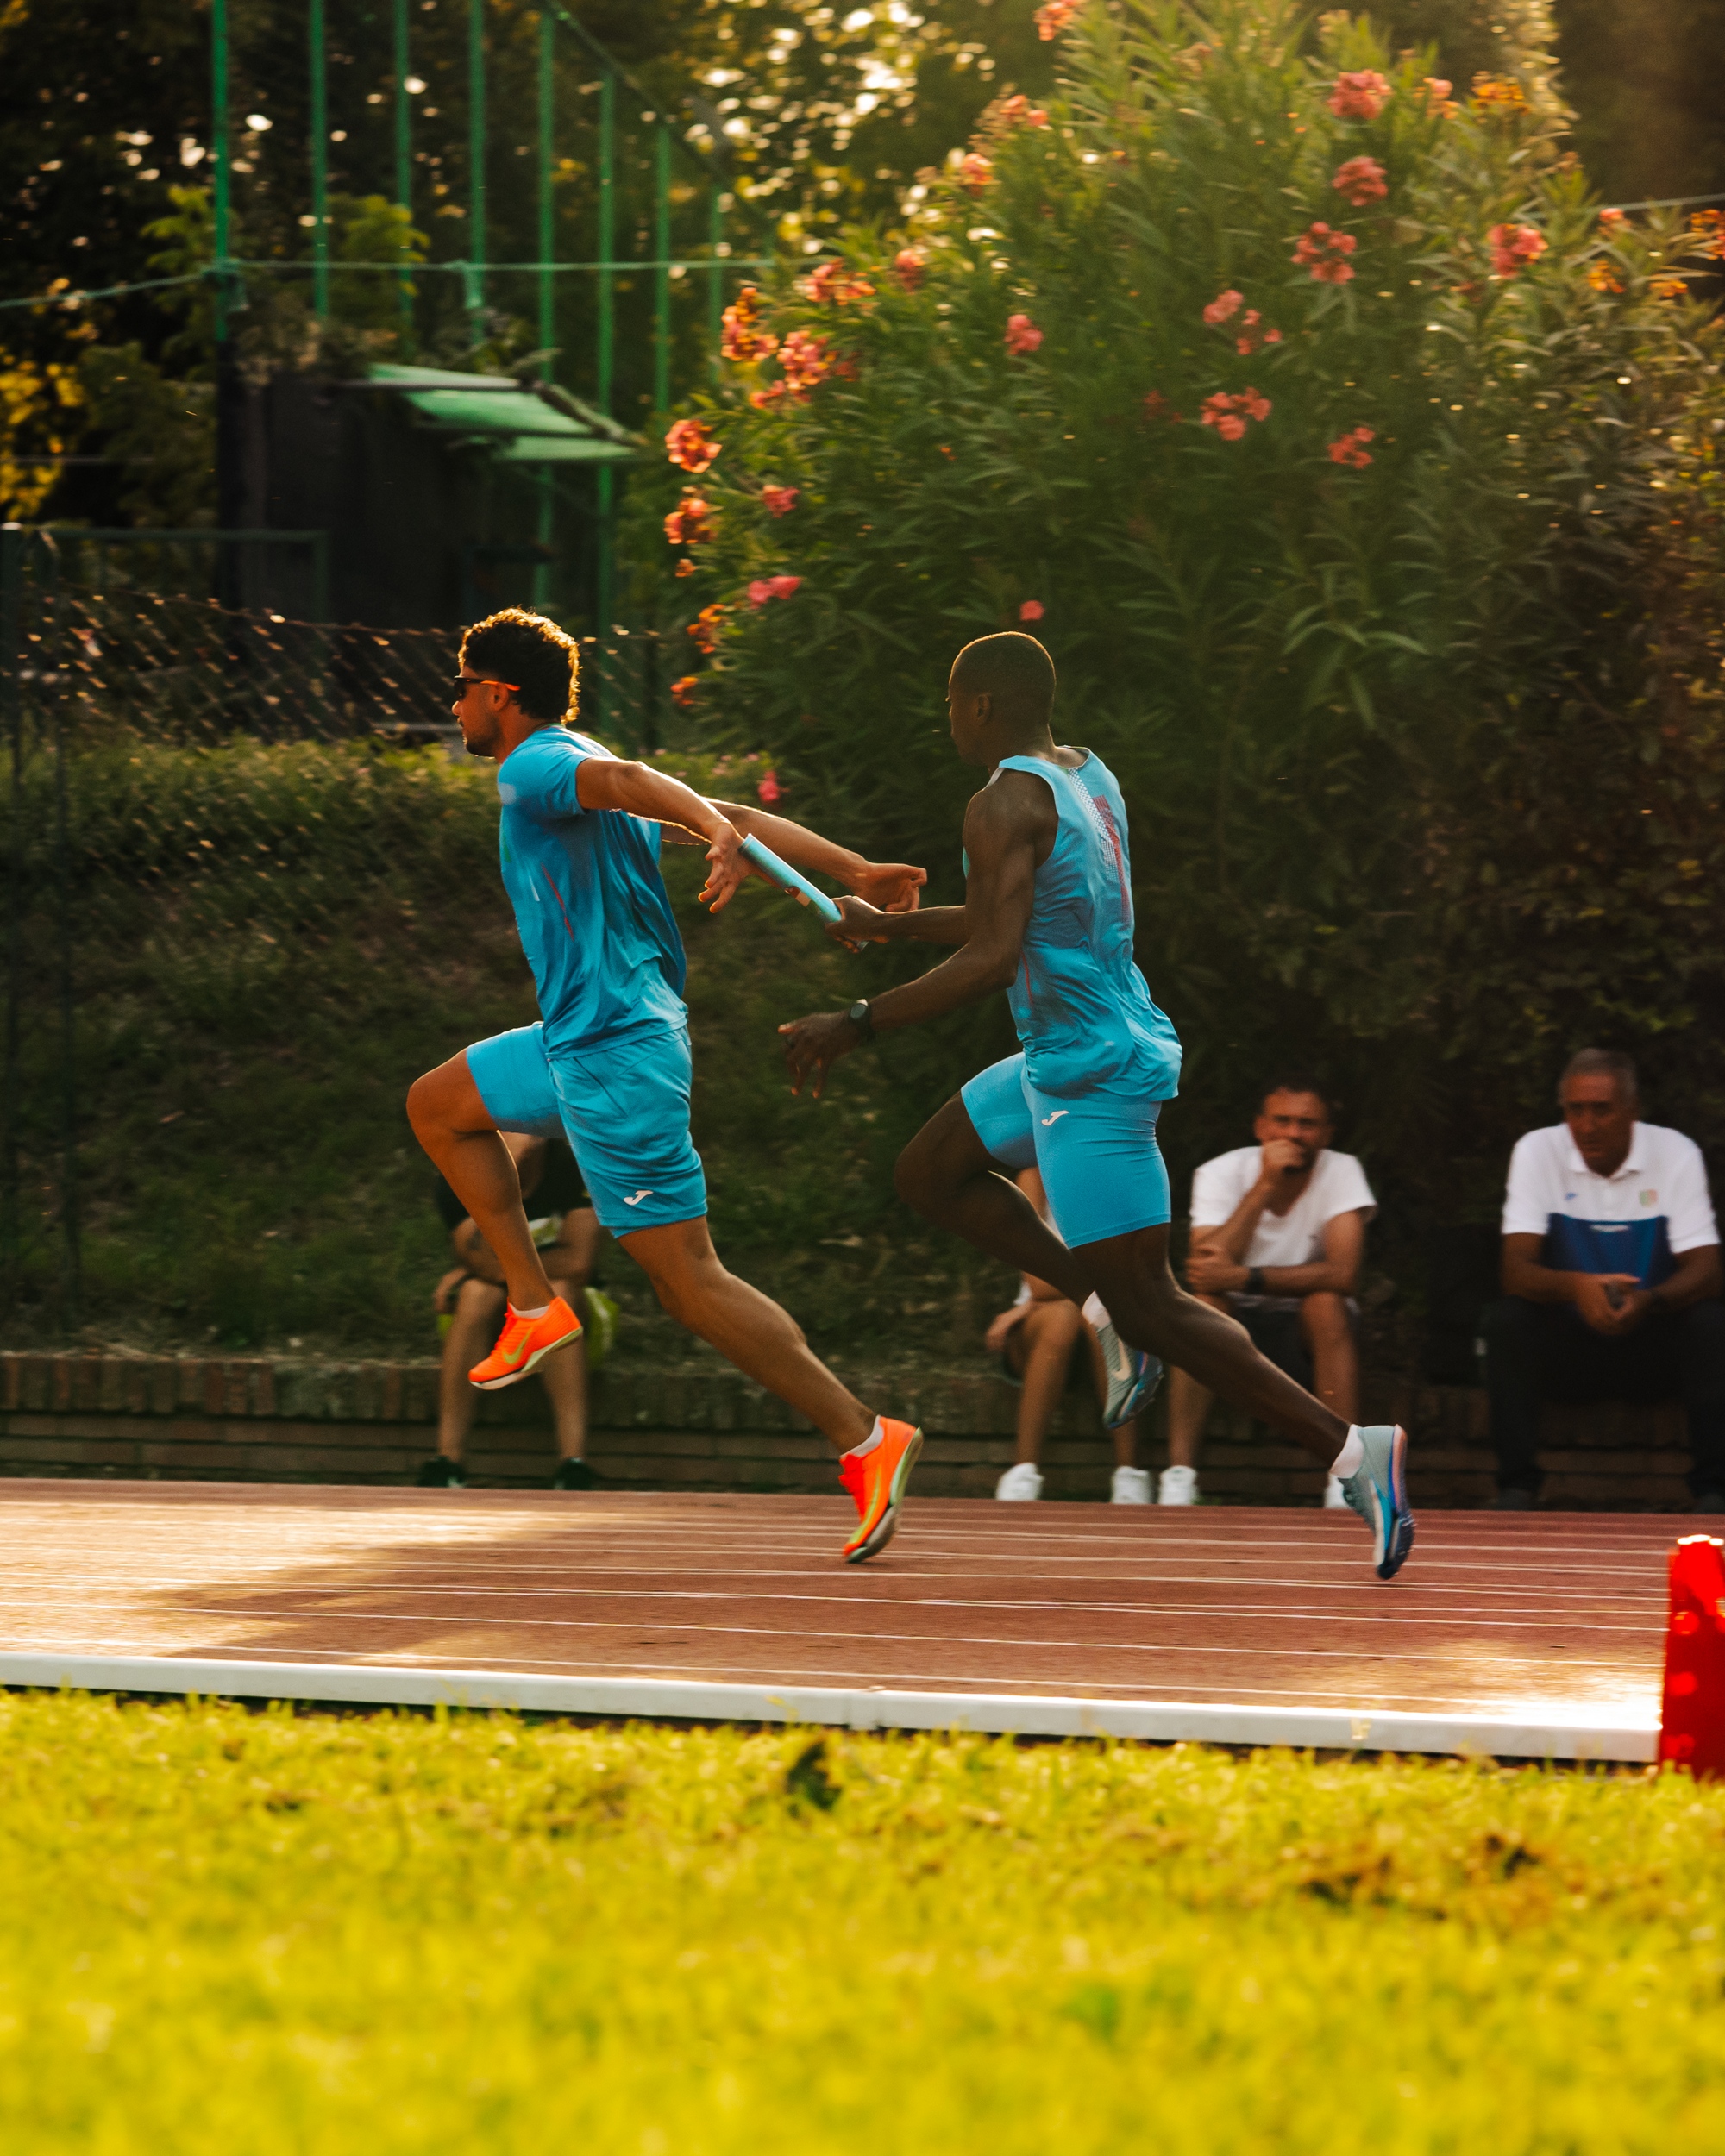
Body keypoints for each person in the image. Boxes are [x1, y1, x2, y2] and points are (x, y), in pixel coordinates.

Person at [777, 630, 1414, 1578]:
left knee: (1156, 1302)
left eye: (951, 703)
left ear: (981, 705)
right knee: (931, 1173)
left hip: (1090, 1072)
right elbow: (1010, 918)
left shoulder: (998, 800)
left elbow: (994, 956)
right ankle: (1096, 1303)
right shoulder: (1083, 774)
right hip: (1069, 1049)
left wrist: (857, 1021)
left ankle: (1353, 1449)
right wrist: (890, 926)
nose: (948, 719)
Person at [405, 608, 931, 1564]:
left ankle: (865, 1436)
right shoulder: (582, 770)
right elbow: (732, 818)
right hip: (577, 1042)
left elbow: (651, 787)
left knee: (690, 1283)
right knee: (437, 1105)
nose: (454, 705)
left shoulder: (536, 764)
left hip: (615, 1058)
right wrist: (847, 867)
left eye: (461, 687)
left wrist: (709, 827)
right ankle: (533, 1303)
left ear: (500, 694)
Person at [1484, 1047, 1725, 1510]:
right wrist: (1578, 1288)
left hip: (1651, 1342)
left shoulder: (1675, 1153)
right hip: (1570, 1348)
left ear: (1633, 1111)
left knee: (1711, 1323)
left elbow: (1708, 1272)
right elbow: (1514, 1271)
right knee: (1508, 1319)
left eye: (1601, 1110)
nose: (1587, 1125)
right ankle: (1517, 1487)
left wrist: (1650, 1300)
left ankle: (1714, 1492)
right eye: (1575, 1110)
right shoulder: (1538, 1151)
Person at [1163, 1080, 1375, 1509]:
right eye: (1282, 1121)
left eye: (1307, 1124)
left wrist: (1245, 1277)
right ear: (1260, 1127)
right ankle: (1179, 1475)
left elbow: (1343, 1274)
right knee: (1203, 1307)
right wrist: (1263, 1186)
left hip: (1305, 1329)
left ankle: (1347, 1476)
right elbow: (1205, 1273)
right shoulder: (1220, 1172)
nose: (1293, 1134)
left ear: (1327, 1134)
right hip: (1234, 1327)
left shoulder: (1342, 1170)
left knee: (1326, 1305)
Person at [418, 1131, 604, 1491]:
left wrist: (495, 1267)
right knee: (476, 1293)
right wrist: (505, 1175)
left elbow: (579, 1263)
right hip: (495, 1323)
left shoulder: (578, 1167)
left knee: (558, 1293)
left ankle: (573, 1465)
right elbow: (479, 1261)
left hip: (580, 1321)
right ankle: (447, 1463)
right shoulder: (461, 1172)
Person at [986, 1169, 1151, 1502]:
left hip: (1100, 1314)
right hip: (1045, 1322)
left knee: (1103, 1316)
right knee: (1063, 1316)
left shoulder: (1119, 1175)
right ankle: (1024, 1472)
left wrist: (1048, 1294)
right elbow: (1039, 1284)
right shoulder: (1033, 1179)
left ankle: (1129, 1475)